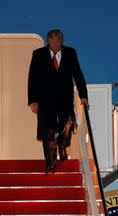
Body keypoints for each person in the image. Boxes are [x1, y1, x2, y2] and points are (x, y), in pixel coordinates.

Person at [28, 29, 89, 173]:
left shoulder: (70, 52)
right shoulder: (38, 54)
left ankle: (62, 146)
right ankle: (50, 164)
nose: (56, 44)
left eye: (58, 41)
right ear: (48, 40)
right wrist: (33, 100)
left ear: (62, 40)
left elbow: (78, 75)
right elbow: (32, 78)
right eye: (53, 42)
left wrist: (83, 96)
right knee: (48, 131)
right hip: (45, 99)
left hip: (65, 98)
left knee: (67, 124)